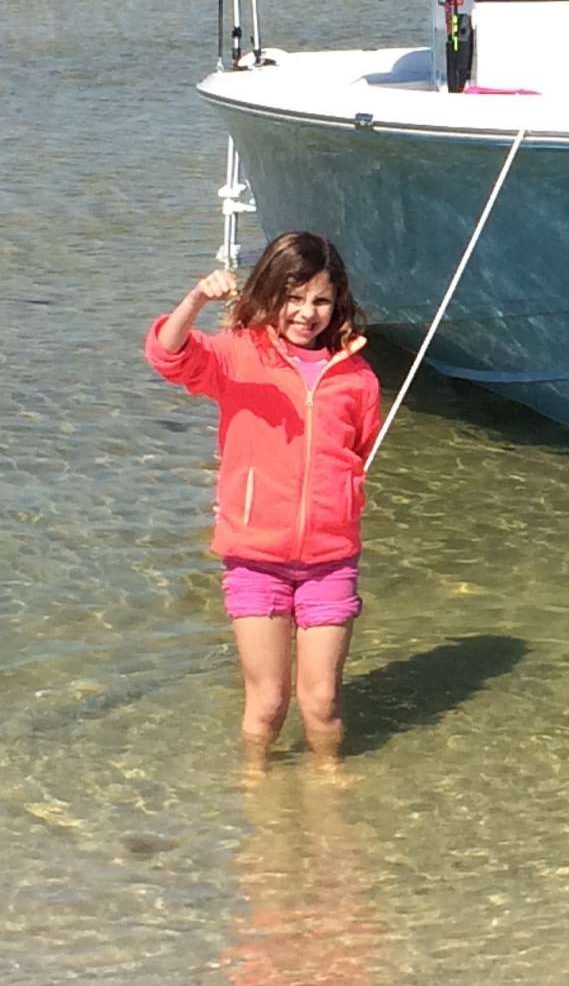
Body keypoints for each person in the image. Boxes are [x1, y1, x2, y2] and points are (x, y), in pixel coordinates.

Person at [145, 232, 381, 766]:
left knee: (321, 702)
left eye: (320, 300)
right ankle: (256, 790)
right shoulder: (238, 356)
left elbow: (358, 451)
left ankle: (329, 788)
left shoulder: (358, 377)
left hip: (330, 561)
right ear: (270, 295)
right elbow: (167, 354)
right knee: (268, 703)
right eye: (293, 299)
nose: (306, 313)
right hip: (256, 559)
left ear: (338, 303)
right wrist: (197, 299)